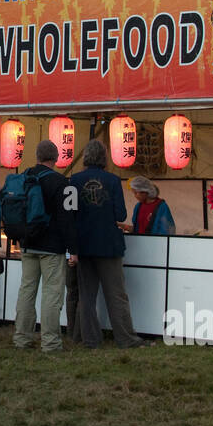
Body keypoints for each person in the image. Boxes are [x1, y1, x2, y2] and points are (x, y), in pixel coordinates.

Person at [71, 138, 142, 349]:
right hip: (109, 245)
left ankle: (90, 339)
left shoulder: (74, 181)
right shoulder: (112, 181)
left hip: (83, 245)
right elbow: (120, 213)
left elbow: (70, 214)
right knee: (116, 295)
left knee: (86, 296)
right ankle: (125, 338)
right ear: (104, 157)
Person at [12, 139, 78, 354]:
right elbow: (69, 219)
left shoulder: (24, 178)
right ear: (56, 158)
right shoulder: (63, 183)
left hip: (27, 244)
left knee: (26, 290)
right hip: (52, 247)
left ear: (37, 156)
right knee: (52, 294)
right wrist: (73, 249)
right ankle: (50, 343)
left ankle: (22, 338)